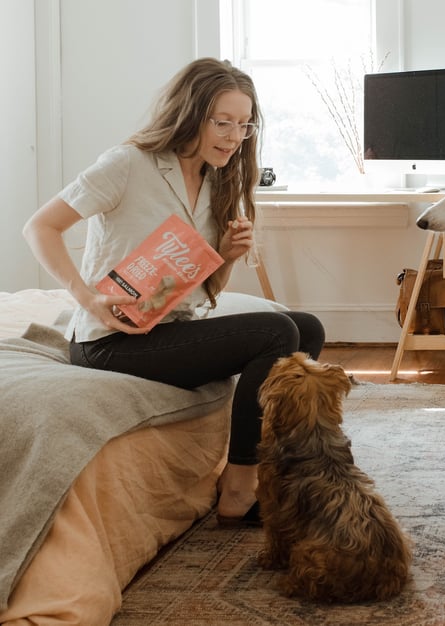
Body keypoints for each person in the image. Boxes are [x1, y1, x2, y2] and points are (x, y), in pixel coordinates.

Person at [22, 57, 325, 526]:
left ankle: (283, 470)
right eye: (222, 122)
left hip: (168, 328)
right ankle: (239, 488)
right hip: (111, 343)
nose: (233, 136)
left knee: (305, 329)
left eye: (244, 125)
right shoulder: (128, 164)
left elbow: (200, 290)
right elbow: (39, 227)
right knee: (274, 332)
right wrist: (87, 298)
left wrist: (223, 254)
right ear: (190, 113)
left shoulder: (216, 180)